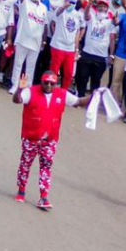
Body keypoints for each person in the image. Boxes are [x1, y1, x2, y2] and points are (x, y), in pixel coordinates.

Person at [12, 71, 90, 211]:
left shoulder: (61, 94)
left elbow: (78, 102)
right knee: (25, 164)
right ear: (41, 82)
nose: (48, 85)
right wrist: (19, 90)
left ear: (56, 83)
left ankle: (43, 196)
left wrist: (94, 97)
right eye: (46, 82)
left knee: (46, 167)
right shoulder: (30, 92)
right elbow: (17, 100)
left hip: (49, 140)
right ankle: (21, 189)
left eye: (52, 83)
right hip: (31, 138)